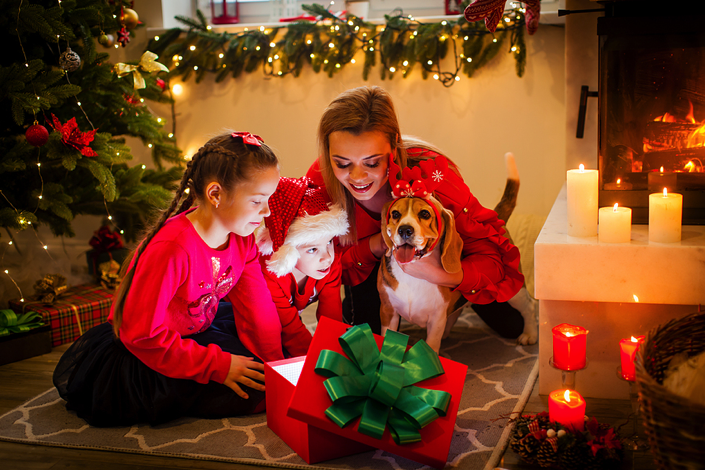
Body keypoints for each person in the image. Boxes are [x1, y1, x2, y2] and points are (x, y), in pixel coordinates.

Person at [53, 131, 285, 427]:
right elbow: (140, 334)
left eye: (269, 200)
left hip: (195, 327)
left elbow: (257, 309)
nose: (265, 211)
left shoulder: (242, 240)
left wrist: (276, 366)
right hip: (145, 349)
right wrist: (218, 365)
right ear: (215, 194)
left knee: (267, 375)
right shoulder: (172, 248)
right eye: (257, 201)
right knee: (249, 394)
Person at [306, 86, 525, 337]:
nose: (357, 177)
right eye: (342, 163)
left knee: (512, 327)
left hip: (443, 261)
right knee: (365, 340)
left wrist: (445, 276)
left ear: (394, 145)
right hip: (369, 269)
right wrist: (377, 244)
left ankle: (453, 304)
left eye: (372, 162)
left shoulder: (433, 174)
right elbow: (320, 265)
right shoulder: (319, 181)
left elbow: (489, 253)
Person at [254, 176, 349, 357]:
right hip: (247, 324)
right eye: (312, 249)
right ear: (287, 250)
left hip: (284, 322)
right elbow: (290, 330)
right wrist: (314, 363)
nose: (327, 256)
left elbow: (331, 319)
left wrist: (335, 357)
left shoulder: (330, 263)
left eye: (329, 242)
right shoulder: (270, 272)